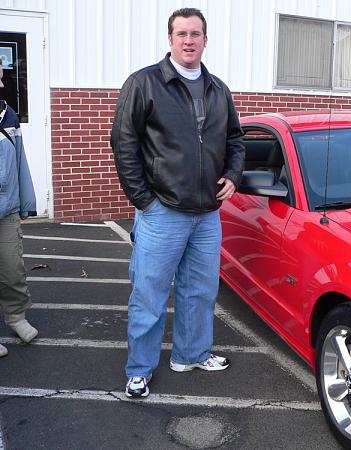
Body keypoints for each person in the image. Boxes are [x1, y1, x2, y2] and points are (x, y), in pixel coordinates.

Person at [111, 8, 245, 398]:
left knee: (200, 291)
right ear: (170, 39)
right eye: (182, 33)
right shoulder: (144, 84)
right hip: (162, 212)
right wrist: (143, 200)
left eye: (196, 34)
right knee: (149, 294)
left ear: (206, 40)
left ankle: (191, 353)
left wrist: (233, 177)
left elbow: (235, 140)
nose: (189, 40)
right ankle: (139, 369)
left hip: (206, 215)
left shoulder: (219, 89)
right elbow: (123, 143)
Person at [0, 65, 38, 358]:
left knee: (13, 270)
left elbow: (20, 162)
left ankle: (16, 317)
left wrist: (26, 202)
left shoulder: (9, 116)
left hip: (8, 212)